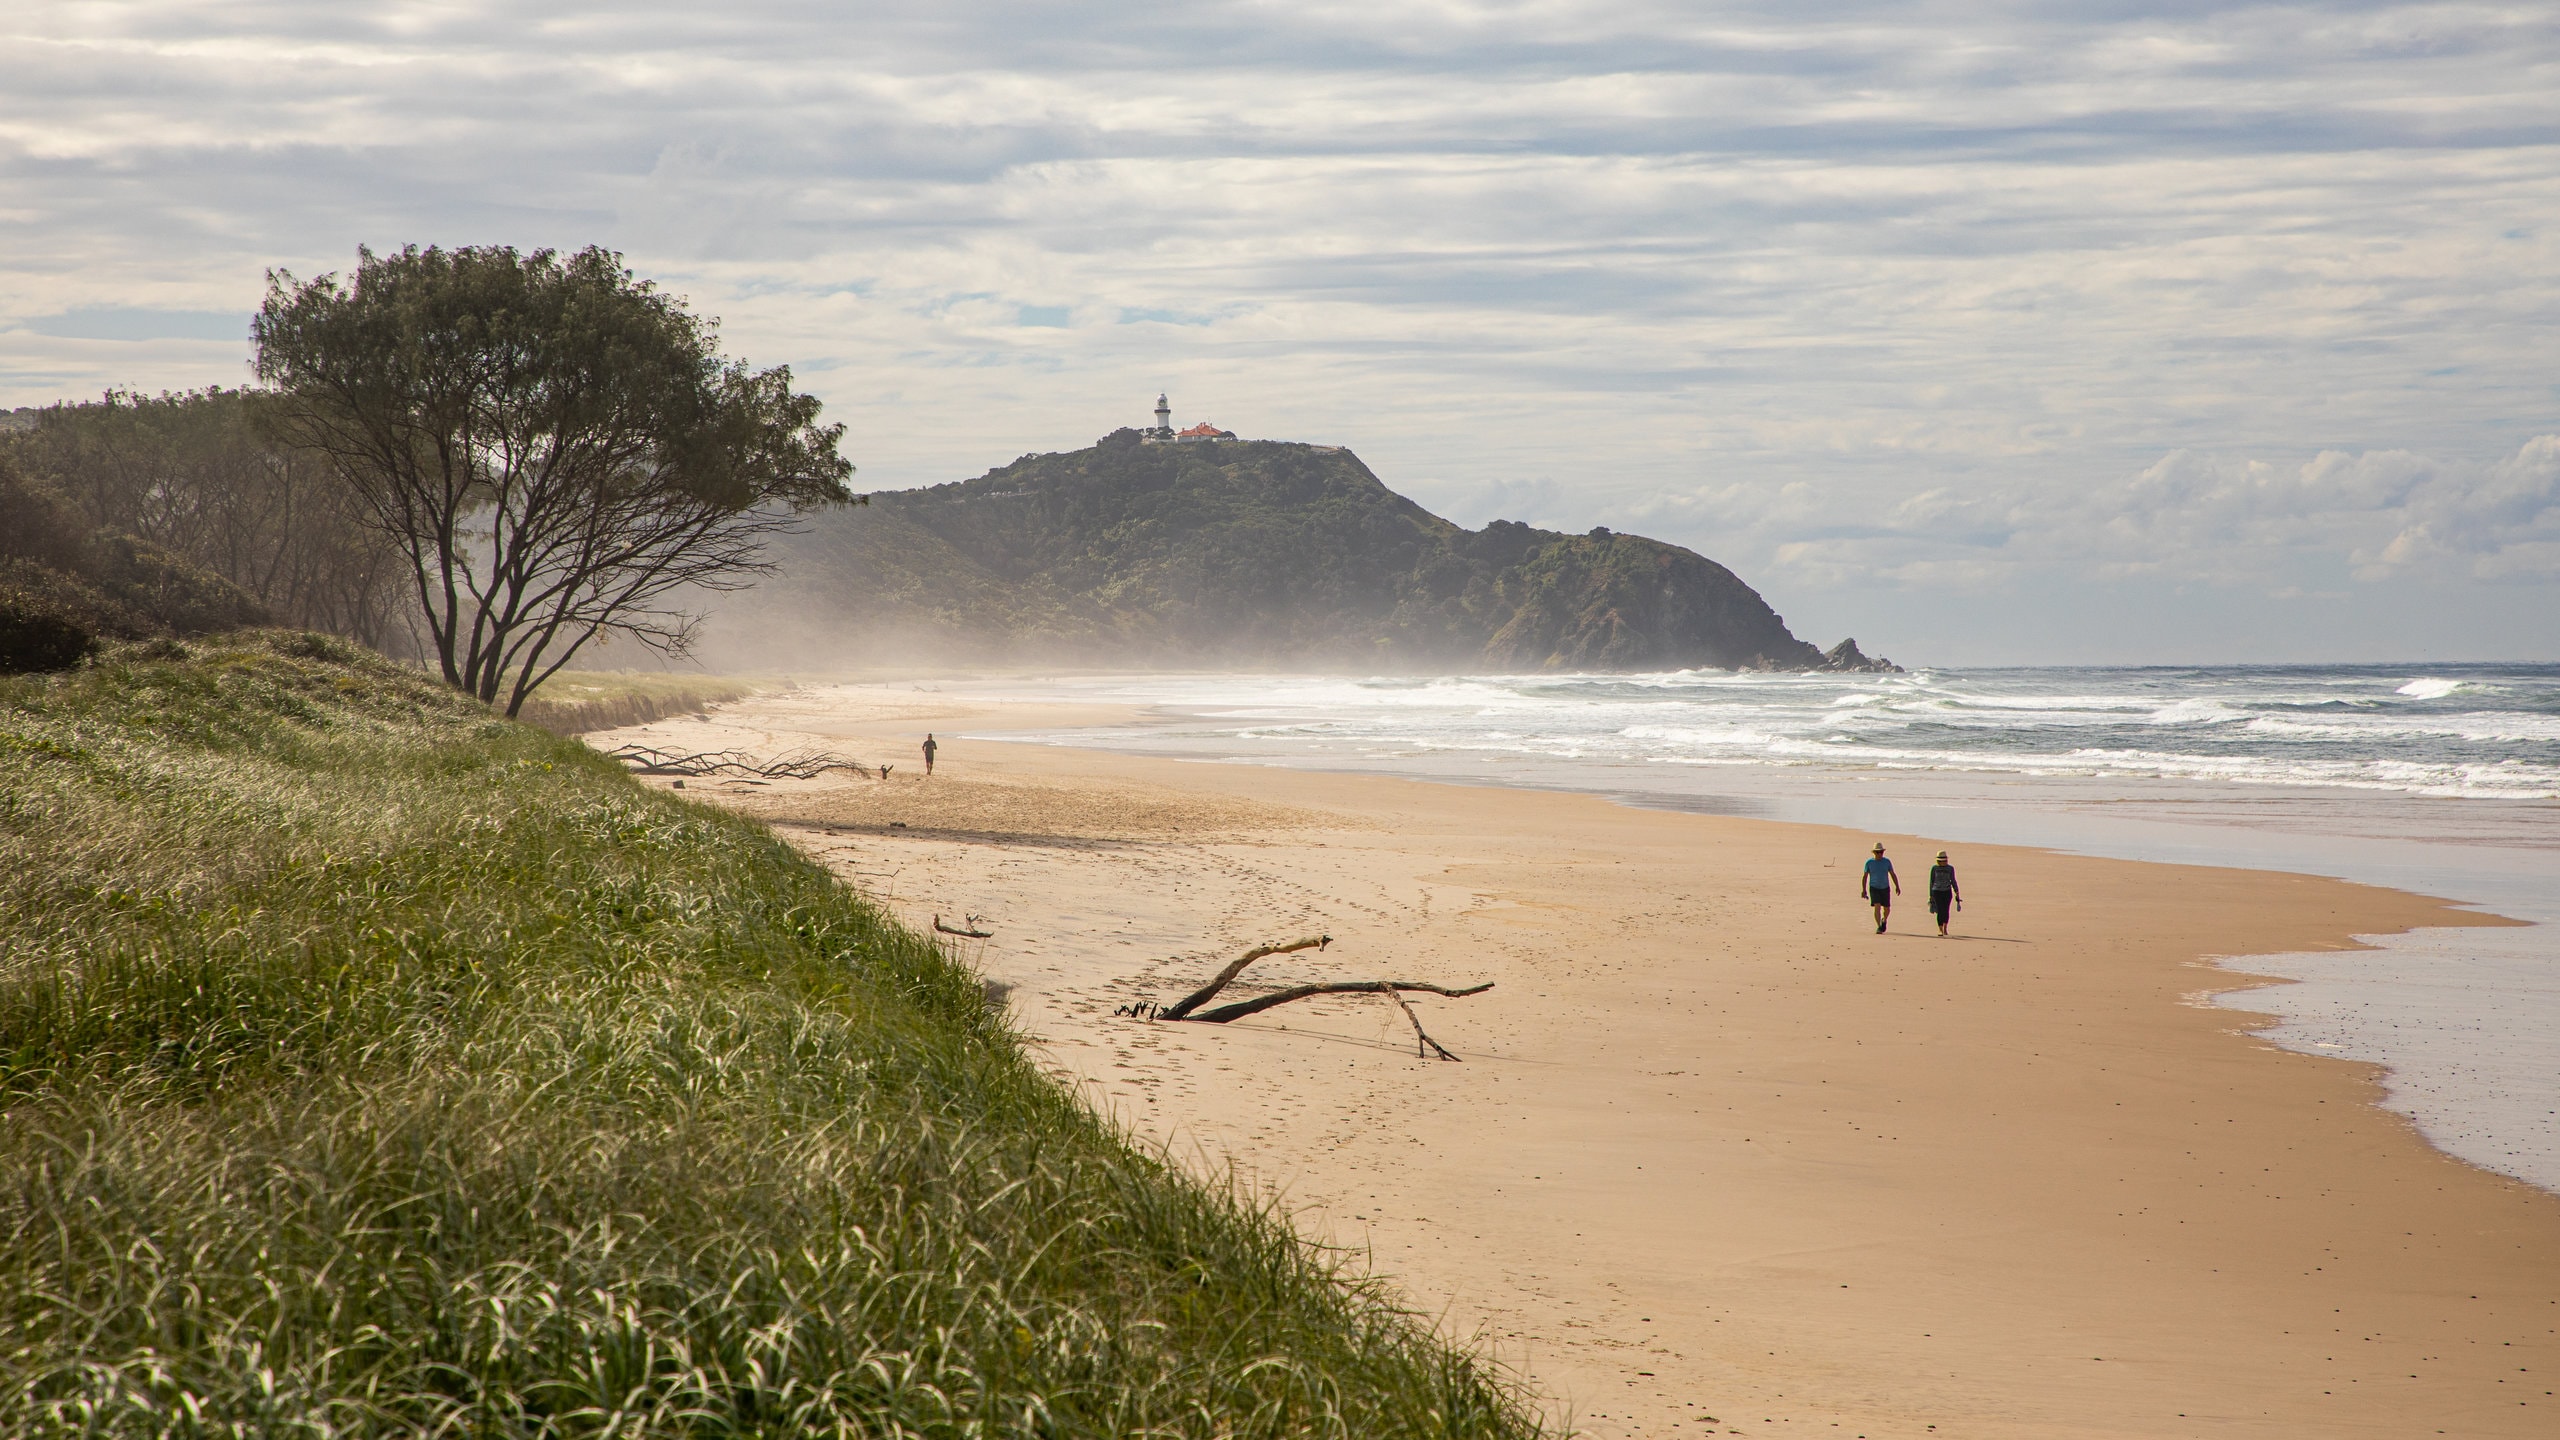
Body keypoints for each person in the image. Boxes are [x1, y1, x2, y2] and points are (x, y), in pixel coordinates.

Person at [1861, 843, 1899, 933]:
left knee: (1887, 909)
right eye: (1877, 852)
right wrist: (1864, 890)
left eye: (1881, 852)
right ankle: (1878, 927)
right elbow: (1865, 876)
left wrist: (1897, 886)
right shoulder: (1869, 863)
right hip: (1874, 888)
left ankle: (1884, 920)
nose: (1879, 854)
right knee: (1877, 906)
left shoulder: (1887, 862)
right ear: (1874, 852)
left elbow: (1892, 874)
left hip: (1885, 887)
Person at [1928, 850, 1960, 936]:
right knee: (1940, 910)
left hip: (1947, 891)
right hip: (1936, 891)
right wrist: (1930, 895)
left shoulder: (1950, 868)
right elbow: (1931, 881)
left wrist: (1957, 891)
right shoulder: (1934, 868)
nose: (1943, 862)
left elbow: (1953, 880)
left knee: (1946, 910)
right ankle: (1940, 929)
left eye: (1945, 860)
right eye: (1941, 861)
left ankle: (1945, 928)